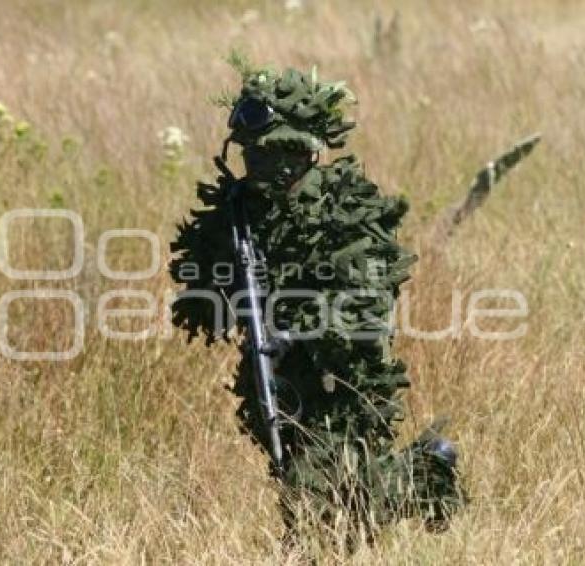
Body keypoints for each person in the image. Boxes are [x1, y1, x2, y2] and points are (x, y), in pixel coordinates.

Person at [169, 64, 463, 533]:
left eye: (287, 151)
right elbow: (198, 306)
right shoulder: (234, 211)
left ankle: (423, 476)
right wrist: (223, 285)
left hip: (341, 383)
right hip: (273, 383)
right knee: (310, 491)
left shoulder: (344, 206)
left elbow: (368, 306)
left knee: (317, 507)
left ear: (310, 152)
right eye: (261, 154)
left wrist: (299, 324)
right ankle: (420, 476)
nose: (273, 165)